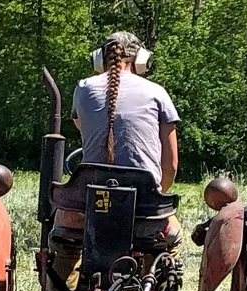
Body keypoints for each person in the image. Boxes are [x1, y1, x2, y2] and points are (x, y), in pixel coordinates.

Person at [73, 31, 179, 190]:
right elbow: (171, 165)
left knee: (59, 215)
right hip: (144, 193)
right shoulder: (157, 92)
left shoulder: (83, 88)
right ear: (142, 59)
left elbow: (81, 127)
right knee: (170, 216)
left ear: (99, 59)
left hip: (91, 191)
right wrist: (158, 195)